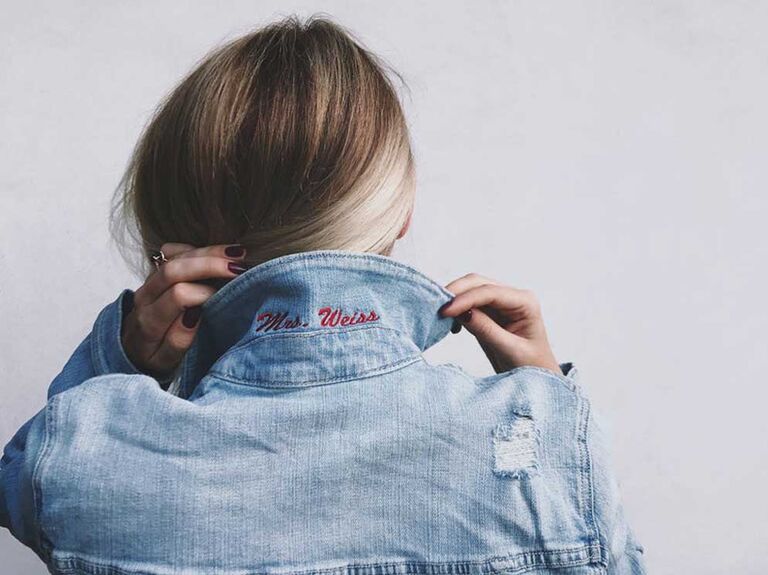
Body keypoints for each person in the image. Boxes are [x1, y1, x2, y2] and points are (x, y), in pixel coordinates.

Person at [0, 14, 646, 574]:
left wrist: (121, 361)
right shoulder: (548, 444)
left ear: (166, 225)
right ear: (400, 210)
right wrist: (542, 397)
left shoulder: (85, 444)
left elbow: (24, 485)